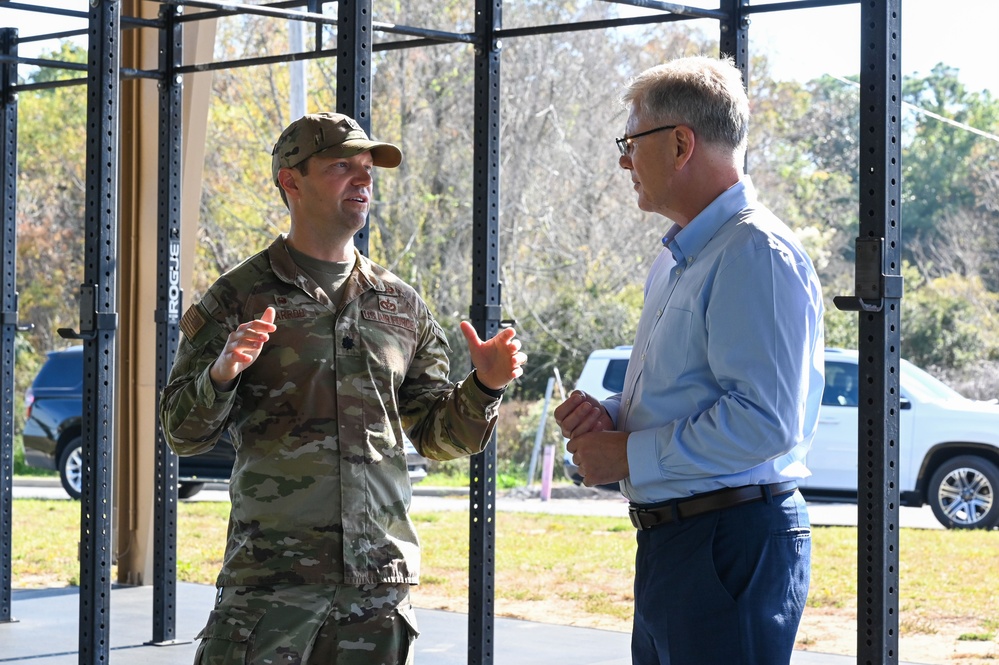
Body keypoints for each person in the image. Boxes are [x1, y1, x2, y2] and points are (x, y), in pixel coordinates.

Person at [160, 111, 526, 665]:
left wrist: (484, 386)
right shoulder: (238, 297)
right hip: (271, 585)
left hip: (377, 588)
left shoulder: (400, 306)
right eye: (341, 167)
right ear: (291, 182)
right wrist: (221, 375)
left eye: (367, 169)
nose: (363, 180)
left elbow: (436, 438)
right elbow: (181, 435)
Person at [554, 56, 824, 665]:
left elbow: (764, 421)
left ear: (680, 144)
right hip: (684, 543)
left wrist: (628, 453)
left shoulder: (756, 253)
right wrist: (615, 415)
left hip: (727, 543)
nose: (623, 160)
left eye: (630, 141)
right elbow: (698, 393)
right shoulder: (685, 255)